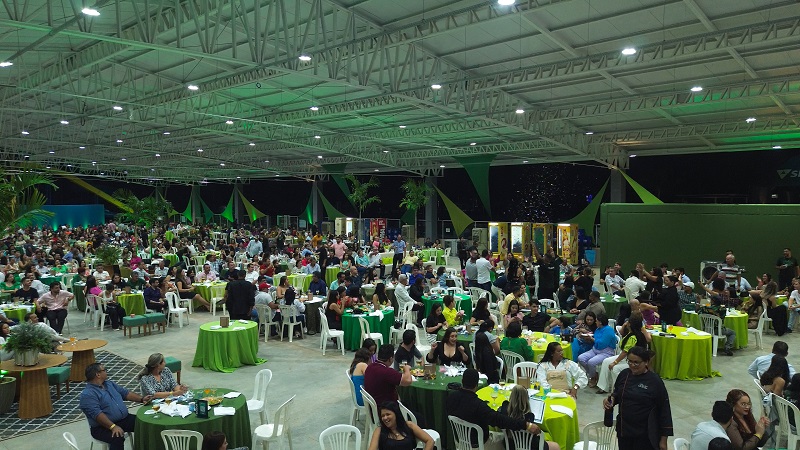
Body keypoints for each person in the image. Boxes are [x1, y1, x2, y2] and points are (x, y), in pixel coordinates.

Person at [447, 368, 542, 450]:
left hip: (460, 441)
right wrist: (526, 425)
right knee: (508, 439)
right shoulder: (479, 406)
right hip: (480, 445)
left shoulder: (451, 397)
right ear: (476, 384)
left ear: (462, 381)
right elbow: (500, 420)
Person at [603, 346, 673, 450]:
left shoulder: (655, 381)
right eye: (630, 361)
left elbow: (664, 409)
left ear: (646, 362)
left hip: (645, 434)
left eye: (636, 362)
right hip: (624, 431)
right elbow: (617, 393)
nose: (632, 365)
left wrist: (663, 439)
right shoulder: (624, 375)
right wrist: (611, 400)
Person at [79, 362, 154, 450]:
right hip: (102, 427)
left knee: (145, 425)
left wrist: (141, 399)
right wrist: (113, 426)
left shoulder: (109, 384)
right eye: (104, 370)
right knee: (117, 437)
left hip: (123, 419)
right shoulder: (88, 394)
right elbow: (97, 414)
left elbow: (125, 394)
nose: (106, 371)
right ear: (98, 374)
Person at [597, 313, 651, 393]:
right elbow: (621, 333)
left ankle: (619, 389)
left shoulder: (633, 337)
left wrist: (615, 362)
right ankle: (603, 387)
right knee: (606, 361)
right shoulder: (631, 333)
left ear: (630, 324)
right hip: (624, 357)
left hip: (631, 360)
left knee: (615, 368)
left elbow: (625, 352)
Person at [498, 385, 560, 450]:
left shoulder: (504, 409)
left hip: (510, 444)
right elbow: (534, 435)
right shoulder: (529, 416)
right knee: (556, 446)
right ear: (526, 398)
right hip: (530, 446)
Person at [367, 400, 434, 450]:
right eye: (382, 416)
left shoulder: (409, 425)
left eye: (388, 414)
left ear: (396, 414)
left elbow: (429, 440)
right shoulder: (379, 430)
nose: (385, 418)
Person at [578, 313, 617, 388]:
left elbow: (602, 343)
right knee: (581, 358)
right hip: (595, 349)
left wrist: (592, 339)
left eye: (596, 321)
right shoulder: (598, 329)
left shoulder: (608, 330)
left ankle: (592, 378)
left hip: (606, 352)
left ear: (600, 322)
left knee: (591, 362)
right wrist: (588, 335)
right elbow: (595, 336)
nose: (595, 322)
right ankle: (594, 374)